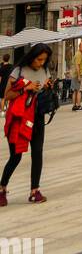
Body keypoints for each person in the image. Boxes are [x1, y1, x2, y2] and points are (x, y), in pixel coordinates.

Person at [0, 43, 53, 205]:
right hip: (19, 118)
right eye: (39, 59)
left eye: (44, 60)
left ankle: (34, 191)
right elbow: (7, 95)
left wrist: (47, 87)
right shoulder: (19, 71)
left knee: (37, 153)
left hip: (36, 117)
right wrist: (26, 88)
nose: (41, 63)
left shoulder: (45, 70)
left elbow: (45, 89)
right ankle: (2, 189)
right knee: (15, 156)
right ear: (32, 57)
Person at [71, 39, 82, 111]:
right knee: (79, 90)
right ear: (79, 47)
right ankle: (78, 105)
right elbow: (77, 65)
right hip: (79, 75)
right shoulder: (79, 54)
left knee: (75, 90)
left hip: (74, 75)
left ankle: (74, 105)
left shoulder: (77, 54)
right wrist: (79, 76)